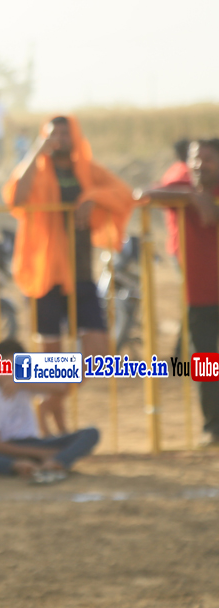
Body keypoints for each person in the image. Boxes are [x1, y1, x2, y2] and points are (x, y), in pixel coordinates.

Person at [3, 115, 133, 436]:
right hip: (45, 272)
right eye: (53, 133)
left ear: (75, 136)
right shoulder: (36, 168)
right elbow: (16, 197)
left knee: (98, 354)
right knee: (52, 359)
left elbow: (123, 192)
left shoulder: (86, 170)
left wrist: (92, 198)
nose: (60, 138)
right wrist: (38, 150)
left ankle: (47, 403)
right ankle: (55, 429)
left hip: (81, 272)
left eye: (65, 132)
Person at [142, 139, 219, 446]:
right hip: (199, 296)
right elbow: (143, 194)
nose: (200, 164)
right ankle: (213, 427)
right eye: (195, 158)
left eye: (208, 158)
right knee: (205, 366)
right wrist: (190, 196)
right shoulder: (183, 191)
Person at [0, 339, 99, 483]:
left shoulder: (25, 383)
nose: (10, 372)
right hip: (5, 450)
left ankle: (55, 462)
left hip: (33, 443)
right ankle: (20, 465)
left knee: (91, 433)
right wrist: (42, 454)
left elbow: (62, 388)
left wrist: (22, 383)